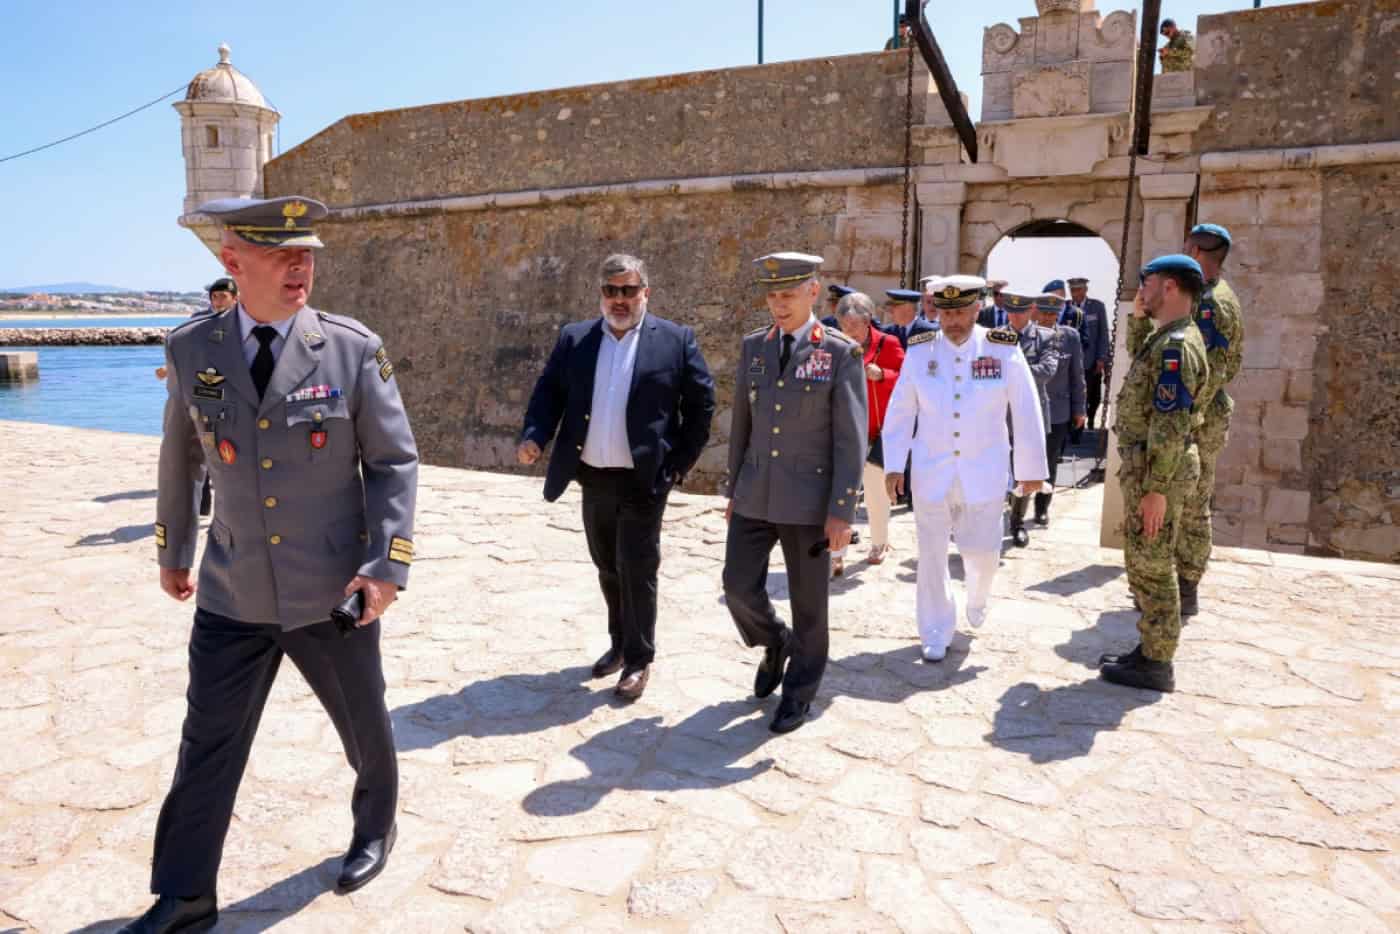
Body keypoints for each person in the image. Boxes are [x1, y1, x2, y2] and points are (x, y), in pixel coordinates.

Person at [126, 196, 419, 934]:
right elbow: (181, 454)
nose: (302, 267)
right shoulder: (193, 348)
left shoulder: (352, 348)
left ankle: (374, 828)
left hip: (333, 590)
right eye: (283, 255)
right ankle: (185, 895)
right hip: (233, 587)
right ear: (233, 262)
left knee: (363, 726)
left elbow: (393, 462)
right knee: (207, 744)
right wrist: (174, 550)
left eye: (308, 253)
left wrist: (384, 566)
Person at [518, 254, 716, 700]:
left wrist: (678, 463)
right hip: (593, 475)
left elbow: (701, 406)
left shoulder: (675, 340)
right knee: (607, 565)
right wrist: (535, 436)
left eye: (629, 290)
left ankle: (640, 658)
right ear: (601, 294)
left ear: (645, 292)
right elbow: (548, 393)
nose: (620, 299)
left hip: (645, 478)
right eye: (611, 290)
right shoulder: (576, 339)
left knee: (639, 567)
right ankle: (619, 644)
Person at [722, 252, 866, 734]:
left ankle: (799, 694)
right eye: (771, 295)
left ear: (812, 292)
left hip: (809, 502)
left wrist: (841, 511)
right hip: (755, 493)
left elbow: (851, 439)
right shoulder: (753, 348)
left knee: (810, 606)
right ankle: (774, 640)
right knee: (737, 586)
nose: (778, 304)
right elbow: (742, 423)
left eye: (788, 294)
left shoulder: (841, 353)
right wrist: (733, 489)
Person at [882, 276, 1046, 662]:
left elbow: (1024, 407)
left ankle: (978, 593)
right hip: (931, 471)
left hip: (984, 469)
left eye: (960, 312)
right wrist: (893, 464)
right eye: (945, 312)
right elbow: (902, 409)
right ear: (935, 310)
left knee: (982, 552)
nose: (952, 320)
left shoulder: (1001, 348)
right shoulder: (921, 351)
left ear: (978, 309)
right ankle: (936, 629)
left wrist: (1031, 467)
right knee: (932, 554)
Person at [1099, 254, 1209, 693]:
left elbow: (1170, 422)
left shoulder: (1177, 348)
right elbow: (1139, 357)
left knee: (1153, 564)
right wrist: (1140, 319)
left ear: (1170, 287)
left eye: (1147, 284)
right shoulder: (1168, 336)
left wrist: (1156, 490)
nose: (1140, 292)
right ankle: (1148, 649)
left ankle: (1156, 663)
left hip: (1157, 472)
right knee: (1145, 560)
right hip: (1152, 469)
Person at [1173, 223, 1244, 616]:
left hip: (1197, 415)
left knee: (1193, 502)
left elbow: (1207, 371)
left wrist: (1180, 417)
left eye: (1186, 247)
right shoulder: (1216, 295)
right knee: (1189, 499)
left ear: (1196, 252)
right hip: (1202, 411)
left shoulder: (1210, 304)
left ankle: (1185, 587)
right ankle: (1179, 584)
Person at [834, 291, 905, 571]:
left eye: (853, 326)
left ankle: (879, 541)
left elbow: (906, 378)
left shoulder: (889, 343)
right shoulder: (834, 343)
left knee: (876, 491)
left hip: (877, 429)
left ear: (868, 321)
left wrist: (883, 375)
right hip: (842, 428)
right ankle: (836, 548)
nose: (848, 331)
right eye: (844, 325)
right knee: (841, 492)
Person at [1004, 291, 1059, 547]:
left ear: (1031, 312)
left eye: (1020, 312)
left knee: (1024, 472)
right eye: (1011, 312)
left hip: (1030, 413)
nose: (1015, 317)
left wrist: (1012, 369)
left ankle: (1017, 524)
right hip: (998, 414)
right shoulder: (994, 337)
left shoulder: (1046, 337)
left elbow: (1047, 371)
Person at [1032, 293, 1087, 527]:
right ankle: (1016, 504)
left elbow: (1077, 376)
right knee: (1022, 458)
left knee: (1050, 461)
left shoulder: (1069, 337)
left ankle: (1042, 507)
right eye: (1044, 313)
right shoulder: (1025, 335)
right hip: (1029, 408)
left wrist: (1080, 409)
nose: (1047, 318)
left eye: (1052, 314)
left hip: (1058, 410)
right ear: (1035, 312)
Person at [153, 278, 236, 380]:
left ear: (234, 299)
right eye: (214, 296)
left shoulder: (242, 319)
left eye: (223, 296)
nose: (218, 301)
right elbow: (187, 347)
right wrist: (168, 368)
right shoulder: (199, 319)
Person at [1067, 277, 1110, 431]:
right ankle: (1077, 428)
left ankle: (1091, 417)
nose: (1075, 293)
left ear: (1085, 290)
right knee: (1076, 395)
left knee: (1094, 396)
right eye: (1072, 290)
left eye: (1078, 290)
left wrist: (1101, 358)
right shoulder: (1067, 308)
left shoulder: (1097, 307)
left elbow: (1103, 334)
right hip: (1071, 362)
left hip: (1091, 361)